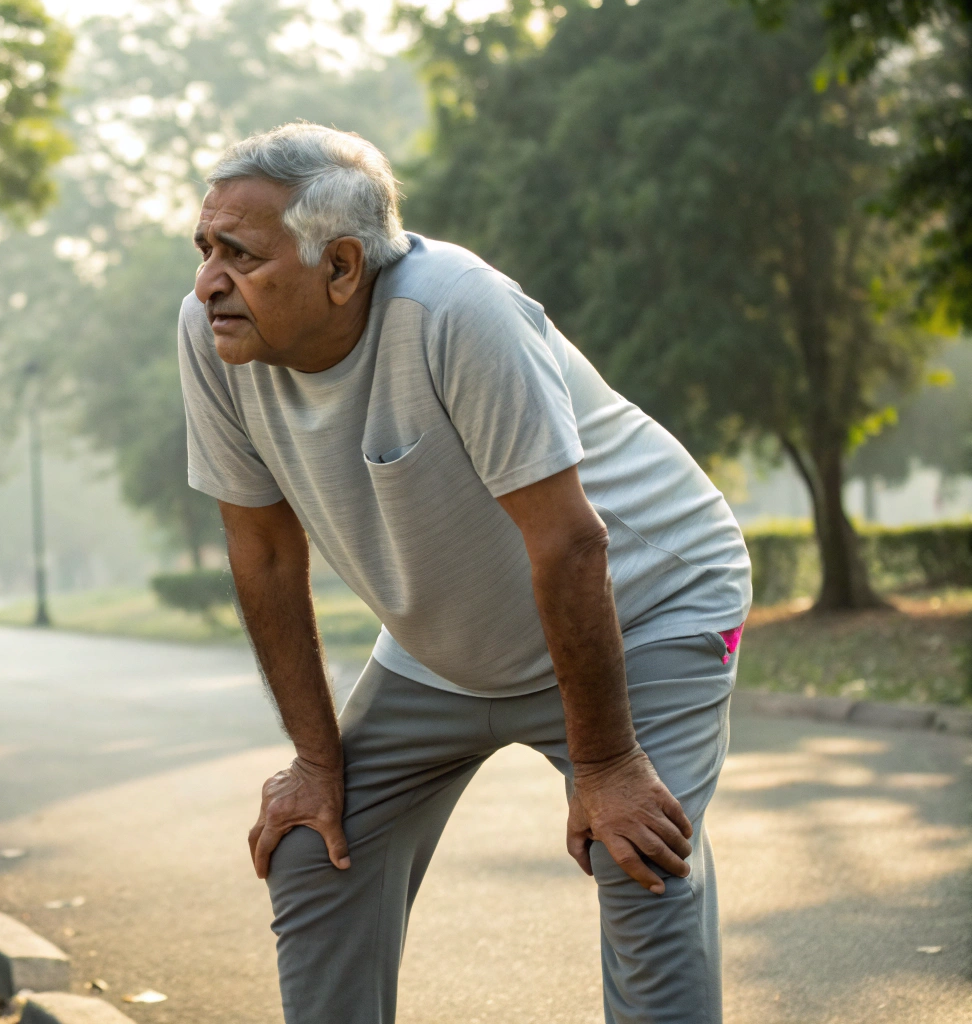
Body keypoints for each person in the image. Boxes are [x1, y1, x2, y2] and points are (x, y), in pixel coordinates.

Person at [177, 122, 750, 1024]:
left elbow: (571, 544)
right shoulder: (213, 335)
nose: (210, 279)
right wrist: (315, 762)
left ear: (341, 268)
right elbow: (266, 553)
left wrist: (607, 765)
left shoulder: (457, 313)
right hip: (442, 645)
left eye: (239, 255)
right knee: (311, 844)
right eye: (204, 248)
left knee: (637, 855)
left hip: (644, 604)